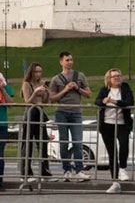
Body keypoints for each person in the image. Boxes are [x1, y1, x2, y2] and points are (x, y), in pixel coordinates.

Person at [49, 51, 91, 182]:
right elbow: (52, 98)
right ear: (61, 62)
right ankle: (66, 169)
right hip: (62, 112)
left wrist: (78, 88)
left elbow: (88, 94)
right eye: (67, 60)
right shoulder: (56, 79)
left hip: (76, 112)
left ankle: (79, 170)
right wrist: (65, 89)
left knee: (77, 142)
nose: (70, 62)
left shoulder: (80, 75)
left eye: (71, 59)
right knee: (63, 143)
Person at [95, 68, 135, 194]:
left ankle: (123, 168)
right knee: (112, 152)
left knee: (124, 145)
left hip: (122, 124)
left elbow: (129, 102)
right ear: (109, 79)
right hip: (107, 124)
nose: (117, 78)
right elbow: (97, 101)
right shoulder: (104, 90)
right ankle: (115, 181)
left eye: (118, 76)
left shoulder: (126, 88)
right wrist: (103, 101)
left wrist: (114, 101)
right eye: (114, 76)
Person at [20, 62, 53, 182]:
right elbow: (27, 101)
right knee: (28, 144)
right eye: (36, 72)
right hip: (30, 113)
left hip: (40, 113)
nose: (38, 74)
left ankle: (45, 172)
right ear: (31, 72)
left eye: (40, 72)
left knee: (43, 143)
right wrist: (35, 92)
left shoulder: (41, 83)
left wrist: (46, 92)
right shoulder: (26, 84)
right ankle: (26, 173)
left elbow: (45, 102)